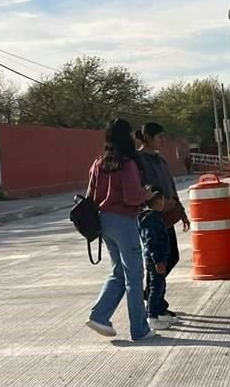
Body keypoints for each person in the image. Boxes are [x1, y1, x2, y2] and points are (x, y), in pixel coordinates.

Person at [85, 119, 157, 341]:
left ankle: (99, 315)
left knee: (118, 271)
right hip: (124, 221)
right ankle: (139, 329)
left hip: (104, 221)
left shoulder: (99, 163)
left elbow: (90, 195)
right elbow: (131, 197)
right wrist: (148, 194)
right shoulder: (127, 164)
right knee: (134, 276)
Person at [135, 122, 189, 324]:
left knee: (171, 257)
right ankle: (155, 304)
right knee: (157, 261)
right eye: (159, 137)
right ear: (147, 137)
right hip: (151, 218)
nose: (162, 141)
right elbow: (139, 189)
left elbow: (171, 188)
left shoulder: (160, 160)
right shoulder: (139, 161)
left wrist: (181, 212)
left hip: (167, 216)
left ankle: (152, 297)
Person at [138, 187, 171, 331]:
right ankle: (151, 316)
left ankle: (159, 311)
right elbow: (151, 242)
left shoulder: (154, 217)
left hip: (157, 258)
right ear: (158, 201)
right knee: (156, 287)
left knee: (158, 285)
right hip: (155, 259)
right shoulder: (151, 219)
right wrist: (158, 260)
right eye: (163, 200)